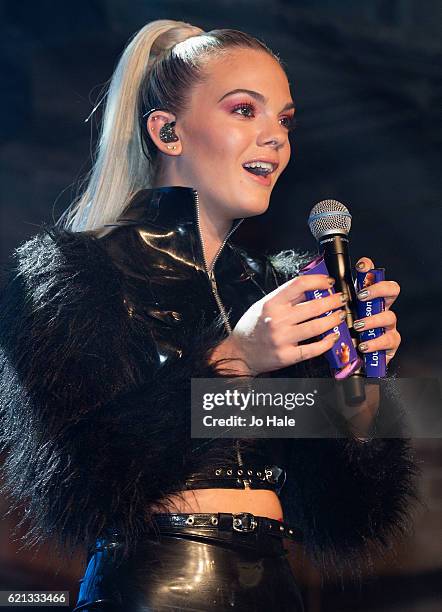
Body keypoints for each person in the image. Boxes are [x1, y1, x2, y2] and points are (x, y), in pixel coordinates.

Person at [0, 20, 417, 612]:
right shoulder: (74, 275)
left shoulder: (280, 287)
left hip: (275, 586)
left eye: (285, 120)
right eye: (245, 110)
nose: (275, 137)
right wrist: (235, 359)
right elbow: (83, 482)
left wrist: (361, 386)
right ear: (168, 130)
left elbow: (346, 514)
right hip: (156, 585)